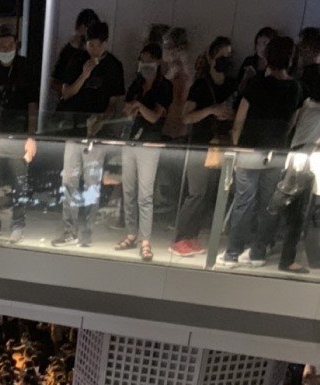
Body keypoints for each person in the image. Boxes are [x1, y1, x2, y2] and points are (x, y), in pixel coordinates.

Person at [218, 35, 301, 268]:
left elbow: (240, 119)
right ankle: (258, 253)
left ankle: (232, 253)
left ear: (268, 56)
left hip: (250, 149)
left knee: (244, 202)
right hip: (277, 152)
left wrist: (236, 145)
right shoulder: (295, 87)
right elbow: (292, 122)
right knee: (269, 206)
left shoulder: (256, 84)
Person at [52, 19, 125, 248]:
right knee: (69, 180)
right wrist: (84, 75)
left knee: (92, 182)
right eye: (89, 44)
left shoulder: (113, 66)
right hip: (73, 129)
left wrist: (102, 119)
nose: (92, 49)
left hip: (96, 133)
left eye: (96, 45)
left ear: (105, 43)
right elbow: (66, 92)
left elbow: (115, 102)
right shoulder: (77, 59)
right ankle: (69, 229)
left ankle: (86, 231)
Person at [171, 37, 236, 256]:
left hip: (220, 144)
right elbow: (186, 117)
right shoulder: (200, 85)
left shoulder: (231, 84)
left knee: (207, 193)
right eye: (221, 56)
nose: (225, 60)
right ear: (211, 57)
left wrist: (228, 115)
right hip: (200, 144)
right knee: (196, 192)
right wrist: (210, 110)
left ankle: (192, 236)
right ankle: (180, 238)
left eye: (228, 56)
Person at [0, 24, 39, 243]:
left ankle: (18, 224)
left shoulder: (25, 67)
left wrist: (31, 137)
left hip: (18, 134)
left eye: (10, 45)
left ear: (16, 45)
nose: (7, 48)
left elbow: (32, 105)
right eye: (2, 45)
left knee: (19, 182)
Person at [114, 43, 172, 262]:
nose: (144, 64)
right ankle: (131, 233)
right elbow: (127, 109)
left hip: (150, 143)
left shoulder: (164, 86)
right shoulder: (136, 83)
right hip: (131, 140)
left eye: (148, 61)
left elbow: (155, 117)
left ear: (157, 62)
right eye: (142, 60)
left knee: (145, 195)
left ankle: (145, 239)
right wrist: (132, 109)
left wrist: (139, 107)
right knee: (128, 190)